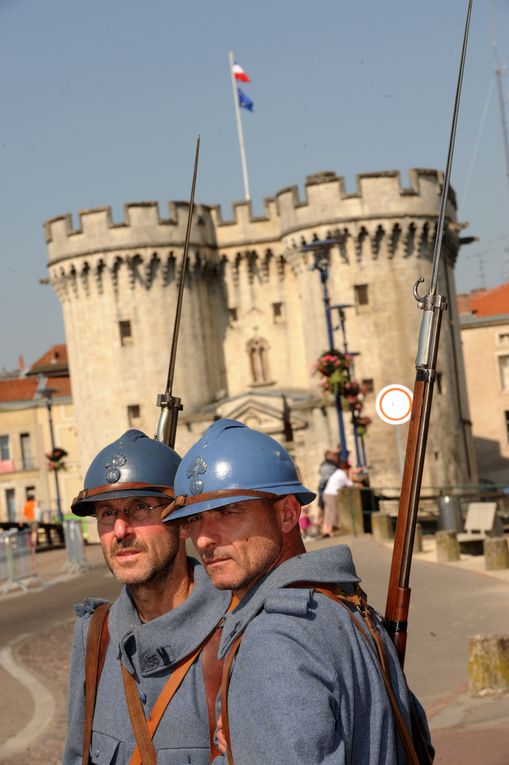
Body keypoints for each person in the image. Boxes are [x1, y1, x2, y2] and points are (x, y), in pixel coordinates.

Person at [163, 419, 433, 764]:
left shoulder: (276, 635)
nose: (203, 538)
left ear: (288, 514)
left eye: (227, 512)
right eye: (195, 519)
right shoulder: (340, 602)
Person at [62, 429, 230, 765]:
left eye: (140, 507)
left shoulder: (235, 630)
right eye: (107, 513)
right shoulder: (97, 635)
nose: (120, 530)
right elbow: (76, 755)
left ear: (184, 524)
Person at [321, 459, 361, 538]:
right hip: (332, 495)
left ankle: (325, 530)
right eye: (348, 469)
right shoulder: (342, 474)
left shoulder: (337, 473)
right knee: (334, 512)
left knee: (328, 513)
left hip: (326, 493)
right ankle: (330, 531)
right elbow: (349, 484)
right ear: (345, 468)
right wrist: (357, 484)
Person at [317, 449, 339, 514]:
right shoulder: (326, 465)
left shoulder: (331, 464)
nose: (334, 456)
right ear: (328, 455)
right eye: (332, 455)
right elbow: (327, 479)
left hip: (326, 488)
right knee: (323, 506)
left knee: (323, 506)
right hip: (325, 488)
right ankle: (320, 521)